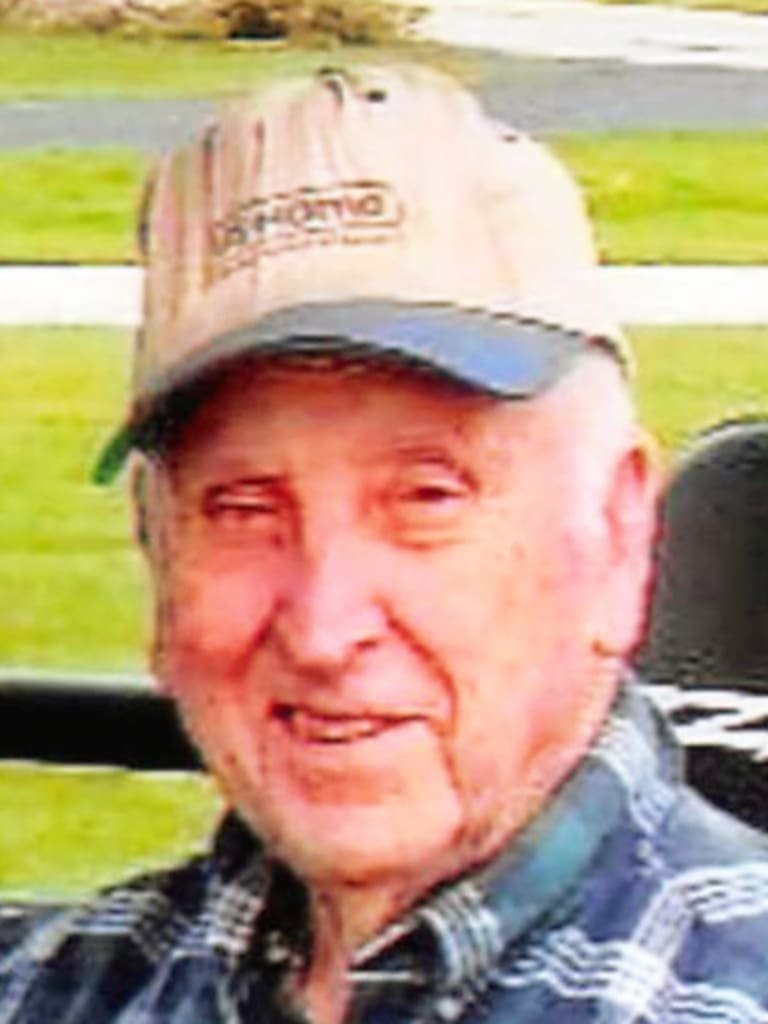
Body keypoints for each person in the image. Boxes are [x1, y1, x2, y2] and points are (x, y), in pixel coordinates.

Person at [2, 64, 768, 1024]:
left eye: (426, 498)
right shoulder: (59, 986)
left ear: (619, 535)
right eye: (242, 508)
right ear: (156, 553)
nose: (324, 629)